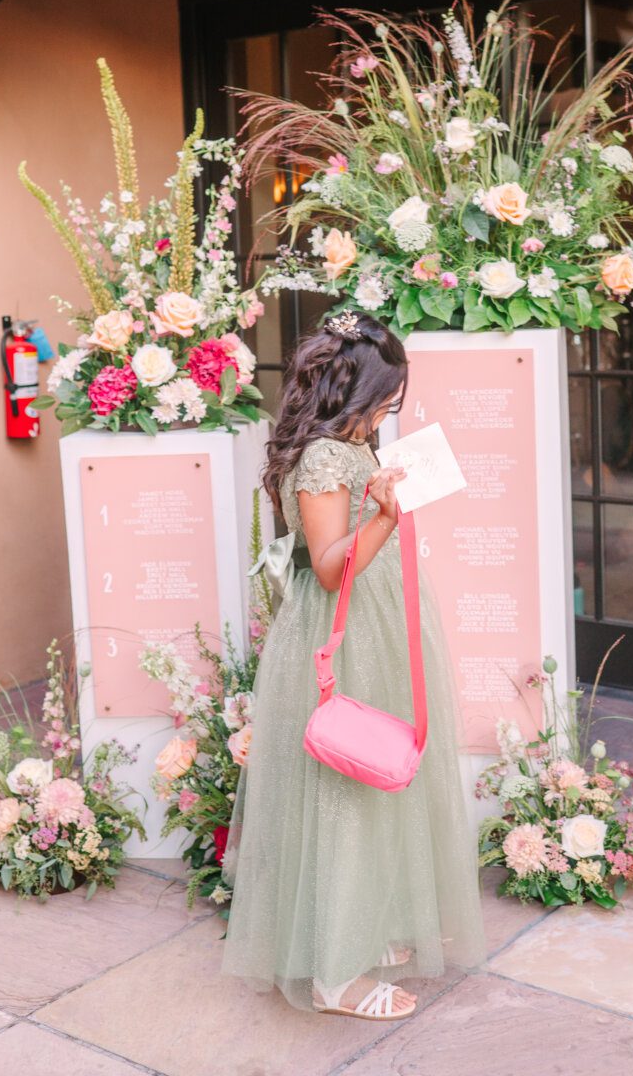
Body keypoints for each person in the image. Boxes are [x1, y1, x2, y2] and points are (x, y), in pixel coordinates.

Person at [222, 311, 485, 1019]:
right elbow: (333, 570)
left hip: (377, 620)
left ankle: (366, 919)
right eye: (385, 402)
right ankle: (334, 972)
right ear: (356, 391)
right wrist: (384, 516)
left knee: (377, 783)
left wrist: (381, 493)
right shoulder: (321, 459)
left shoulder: (345, 444)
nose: (386, 415)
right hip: (342, 627)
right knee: (341, 788)